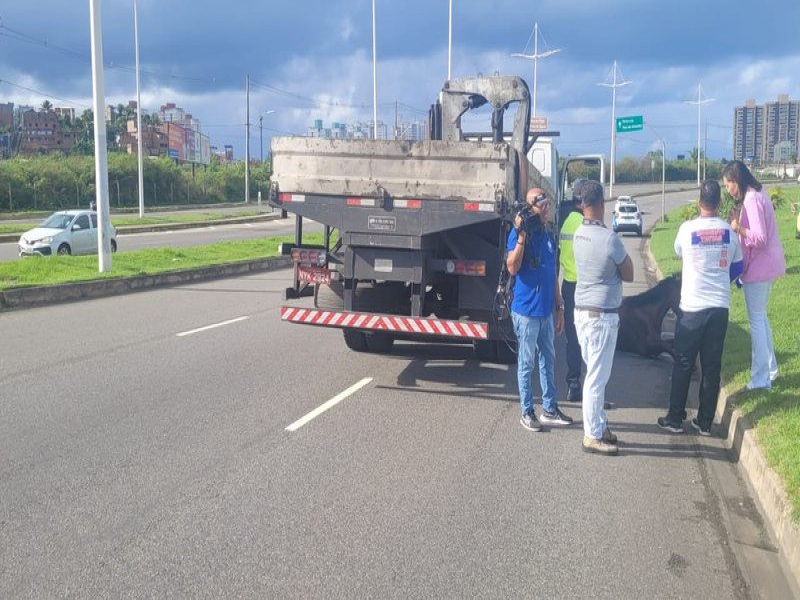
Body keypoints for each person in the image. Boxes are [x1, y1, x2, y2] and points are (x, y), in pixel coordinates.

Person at [657, 180, 743, 435]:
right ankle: (705, 422)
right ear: (719, 203)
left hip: (692, 308)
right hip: (719, 307)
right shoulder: (729, 232)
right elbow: (738, 267)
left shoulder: (687, 229)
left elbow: (678, 251)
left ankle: (675, 419)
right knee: (711, 365)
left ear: (699, 202)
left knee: (683, 362)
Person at [572, 180, 633, 455]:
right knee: (596, 378)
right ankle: (592, 435)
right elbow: (629, 273)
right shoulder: (609, 238)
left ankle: (599, 424)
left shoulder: (577, 233)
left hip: (582, 314)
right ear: (601, 204)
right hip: (601, 318)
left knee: (593, 374)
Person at [506, 187, 573, 431]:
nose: (546, 208)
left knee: (549, 360)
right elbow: (512, 267)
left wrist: (560, 306)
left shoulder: (547, 235)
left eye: (547, 203)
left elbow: (552, 274)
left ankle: (550, 409)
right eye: (540, 204)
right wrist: (522, 235)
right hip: (526, 312)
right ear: (529, 208)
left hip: (546, 311)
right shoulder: (518, 234)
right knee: (527, 363)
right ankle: (527, 412)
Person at [722, 160, 786, 390]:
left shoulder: (751, 199)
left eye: (728, 184)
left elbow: (759, 238)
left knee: (757, 322)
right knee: (762, 319)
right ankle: (770, 370)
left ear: (736, 180)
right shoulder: (758, 194)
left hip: (759, 267)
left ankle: (760, 379)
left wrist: (737, 227)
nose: (727, 189)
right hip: (764, 266)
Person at [558, 180, 587, 402]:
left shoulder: (567, 223)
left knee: (572, 337)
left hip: (568, 285)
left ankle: (573, 382)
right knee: (590, 336)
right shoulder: (587, 225)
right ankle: (591, 386)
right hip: (586, 287)